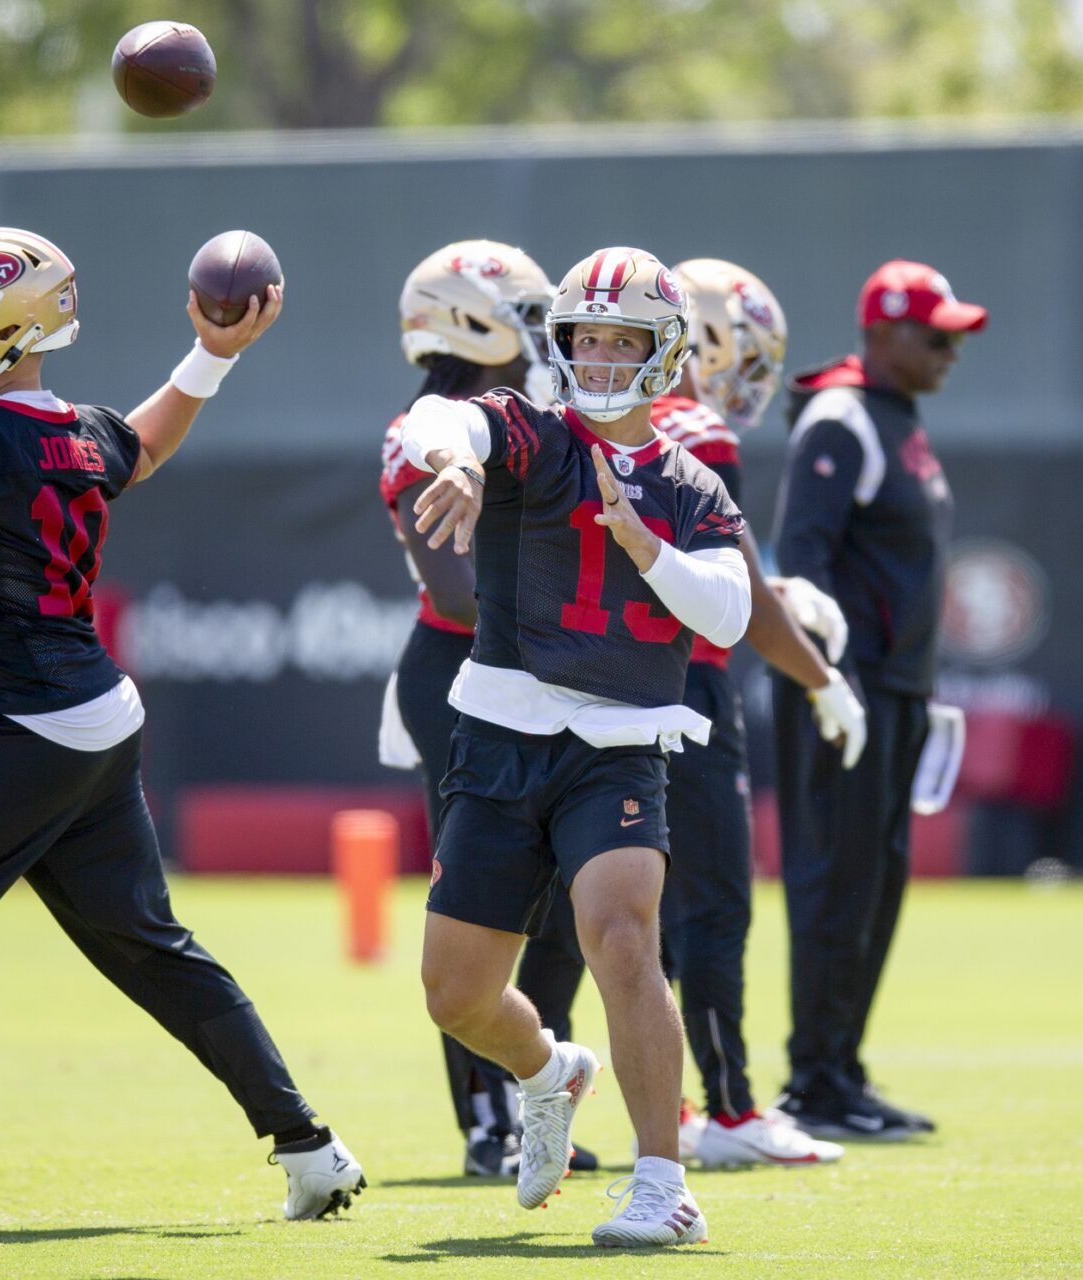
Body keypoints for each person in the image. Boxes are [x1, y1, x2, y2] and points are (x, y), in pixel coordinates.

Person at [0, 226, 363, 1236]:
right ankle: (308, 1144)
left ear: (6, 322)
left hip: (23, 725)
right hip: (95, 720)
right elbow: (150, 441)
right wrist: (213, 354)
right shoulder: (79, 430)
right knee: (149, 946)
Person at [407, 246, 747, 1248]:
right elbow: (442, 415)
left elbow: (726, 613)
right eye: (584, 338)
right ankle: (550, 1071)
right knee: (454, 994)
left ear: (664, 349)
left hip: (619, 746)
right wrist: (457, 457)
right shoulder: (529, 433)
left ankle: (661, 1181)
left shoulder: (688, 480)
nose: (597, 358)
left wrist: (647, 545)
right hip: (503, 733)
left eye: (620, 339)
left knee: (623, 933)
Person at [382, 241, 597, 1179]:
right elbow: (463, 592)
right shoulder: (421, 432)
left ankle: (538, 1091)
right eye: (527, 310)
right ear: (472, 319)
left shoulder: (551, 416)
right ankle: (485, 1118)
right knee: (478, 898)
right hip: (465, 673)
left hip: (551, 668)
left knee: (566, 902)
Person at [645, 258, 863, 1168]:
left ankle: (674, 1106)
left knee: (631, 915)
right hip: (686, 687)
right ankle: (730, 1108)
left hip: (602, 683)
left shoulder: (608, 423)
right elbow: (725, 599)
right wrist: (818, 677)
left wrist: (767, 586)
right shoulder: (696, 429)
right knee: (714, 901)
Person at [772, 259, 983, 1140]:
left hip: (897, 690)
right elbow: (801, 560)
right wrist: (830, 681)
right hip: (843, 694)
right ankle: (814, 1081)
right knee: (835, 880)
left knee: (877, 883)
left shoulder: (899, 418)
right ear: (885, 334)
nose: (950, 352)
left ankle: (843, 1070)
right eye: (936, 336)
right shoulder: (840, 417)